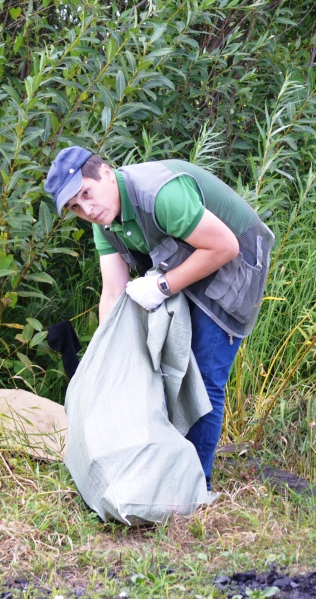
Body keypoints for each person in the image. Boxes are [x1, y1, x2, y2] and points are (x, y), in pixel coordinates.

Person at [44, 146, 273, 490]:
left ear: (106, 172)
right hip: (187, 258)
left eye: (86, 194)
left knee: (203, 377)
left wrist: (162, 286)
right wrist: (110, 352)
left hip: (235, 258)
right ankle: (167, 472)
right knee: (164, 367)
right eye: (76, 206)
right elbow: (113, 292)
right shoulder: (104, 222)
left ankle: (194, 489)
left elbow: (225, 247)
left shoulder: (159, 194)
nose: (86, 209)